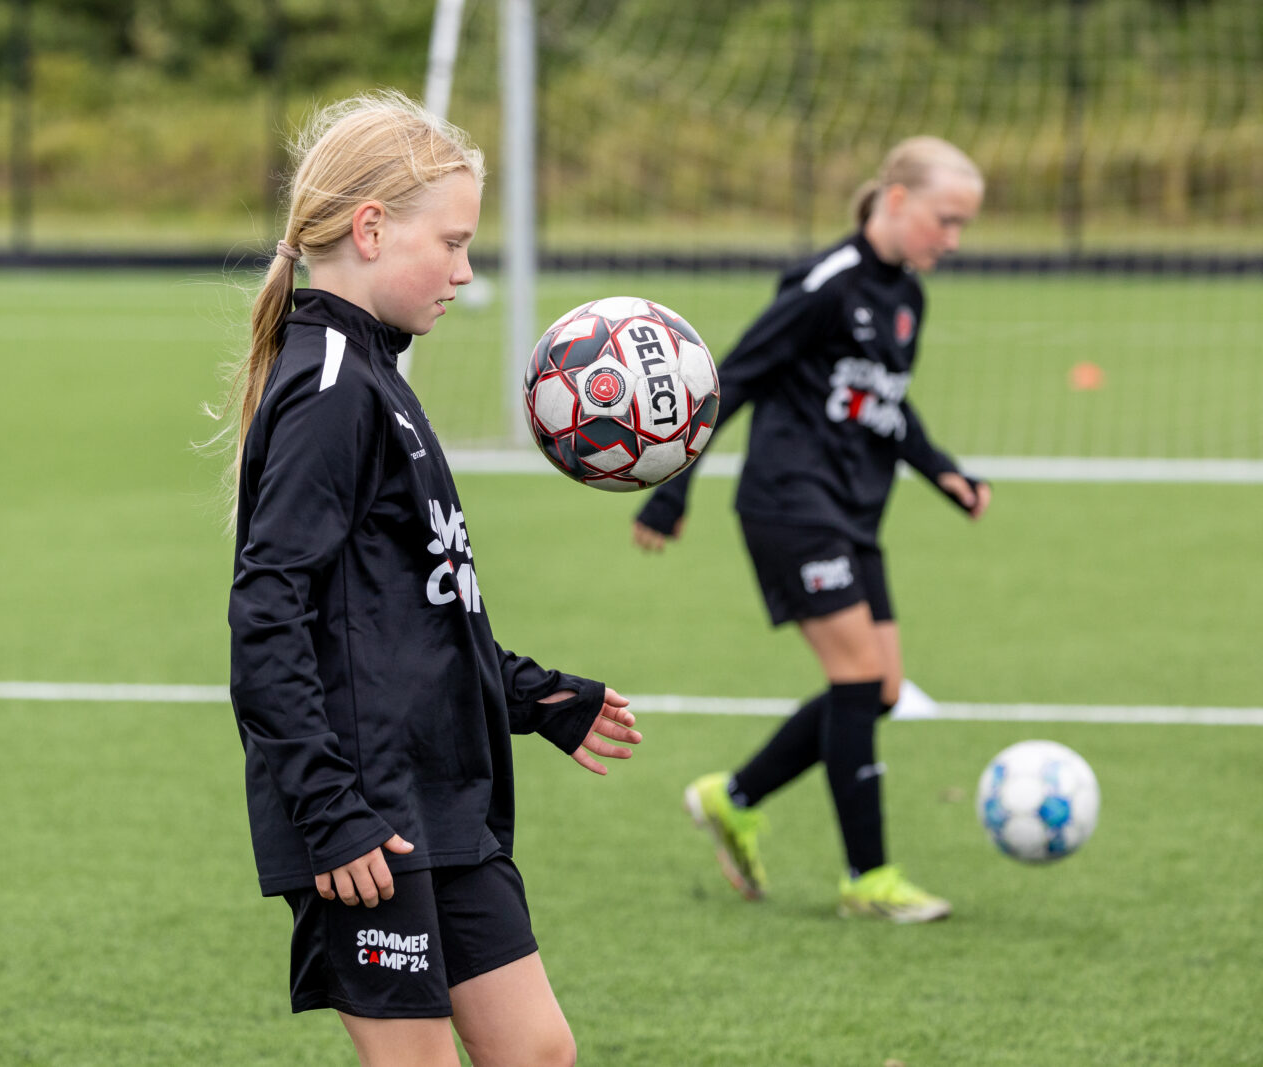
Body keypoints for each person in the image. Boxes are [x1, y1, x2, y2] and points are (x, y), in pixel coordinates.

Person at [226, 90, 642, 1066]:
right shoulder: (330, 386)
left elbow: (413, 609)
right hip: (364, 809)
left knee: (536, 1049)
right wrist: (330, 811)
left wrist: (534, 696)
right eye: (452, 243)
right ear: (370, 229)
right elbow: (267, 615)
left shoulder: (381, 376)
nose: (465, 271)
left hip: (440, 791)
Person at [633, 136, 990, 923]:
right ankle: (869, 879)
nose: (954, 239)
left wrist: (944, 472)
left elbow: (885, 401)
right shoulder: (825, 284)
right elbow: (733, 376)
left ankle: (732, 798)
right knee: (859, 679)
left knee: (882, 688)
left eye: (963, 224)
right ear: (896, 199)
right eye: (945, 219)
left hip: (854, 513)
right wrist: (672, 487)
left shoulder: (908, 295)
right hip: (790, 504)